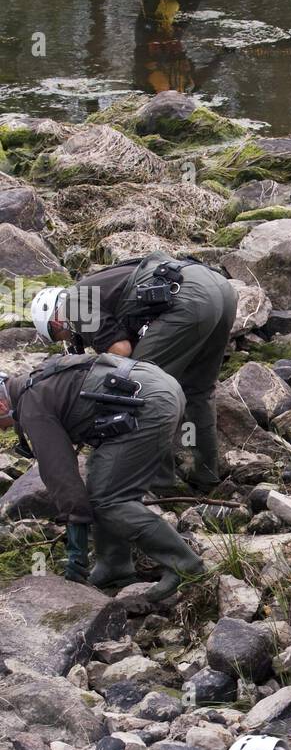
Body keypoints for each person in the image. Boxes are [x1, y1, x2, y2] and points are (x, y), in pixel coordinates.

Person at [30, 250, 237, 495]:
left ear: (54, 321)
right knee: (197, 392)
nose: (70, 338)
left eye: (58, 335)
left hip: (190, 300)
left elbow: (121, 350)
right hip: (221, 291)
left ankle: (159, 483)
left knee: (139, 390)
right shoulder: (100, 286)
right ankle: (204, 473)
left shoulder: (72, 305)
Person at [0, 355, 204, 599]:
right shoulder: (37, 380)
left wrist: (76, 550)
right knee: (101, 483)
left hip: (149, 404)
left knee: (109, 500)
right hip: (161, 387)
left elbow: (62, 476)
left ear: (1, 406)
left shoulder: (32, 408)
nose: (2, 430)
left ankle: (185, 565)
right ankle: (114, 566)